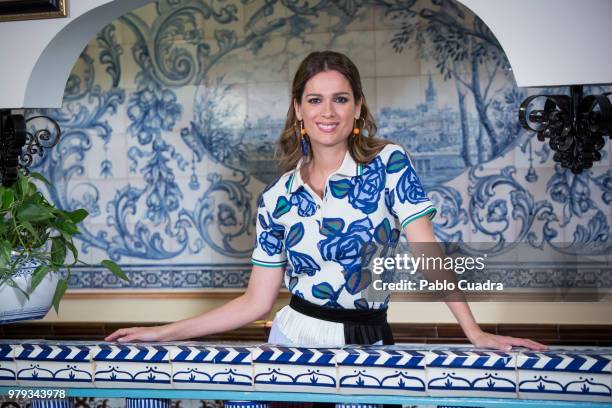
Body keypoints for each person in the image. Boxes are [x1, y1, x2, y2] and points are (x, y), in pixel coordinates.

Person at [105, 51, 548, 352]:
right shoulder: (277, 197)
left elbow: (427, 250)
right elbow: (256, 303)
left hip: (368, 339)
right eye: (315, 100)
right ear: (298, 108)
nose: (328, 112)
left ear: (358, 107)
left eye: (340, 99)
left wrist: (472, 331)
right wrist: (163, 332)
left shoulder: (388, 163)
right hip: (292, 336)